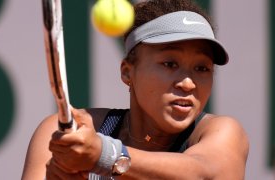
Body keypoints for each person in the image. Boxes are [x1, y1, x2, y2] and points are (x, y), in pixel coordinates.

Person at [22, 0, 249, 179]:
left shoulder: (223, 133)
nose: (188, 83)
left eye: (202, 68)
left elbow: (203, 174)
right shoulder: (63, 131)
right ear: (127, 72)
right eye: (170, 64)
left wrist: (104, 155)